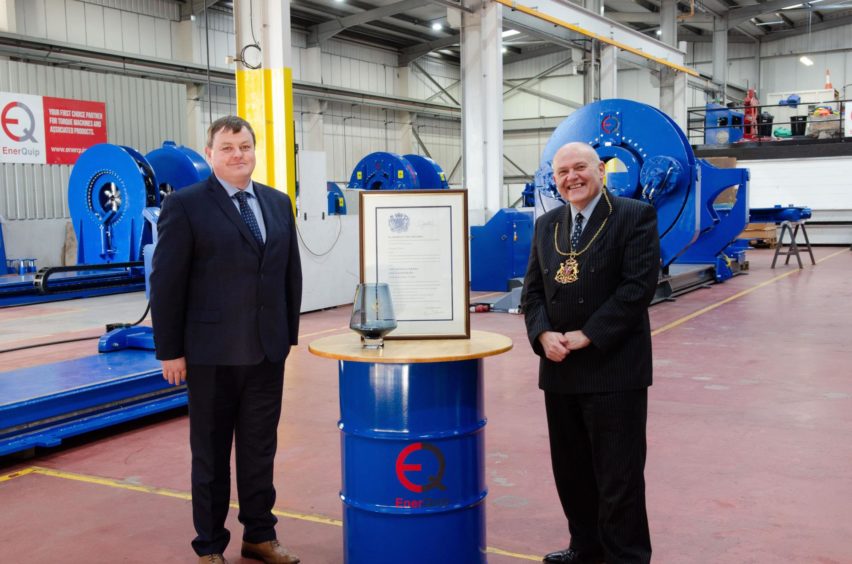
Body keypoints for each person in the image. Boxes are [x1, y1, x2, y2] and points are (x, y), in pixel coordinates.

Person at [150, 115, 302, 564]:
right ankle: (209, 545)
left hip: (265, 352)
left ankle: (259, 535)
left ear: (255, 151)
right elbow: (167, 283)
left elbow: (288, 274)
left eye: (245, 146)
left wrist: (285, 335)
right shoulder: (187, 205)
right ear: (211, 154)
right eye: (228, 147)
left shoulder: (277, 203)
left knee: (259, 449)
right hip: (209, 354)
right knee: (211, 455)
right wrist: (170, 350)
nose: (238, 154)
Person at [521, 142, 660, 564]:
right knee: (572, 473)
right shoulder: (547, 225)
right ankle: (586, 548)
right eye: (562, 172)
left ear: (600, 170)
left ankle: (626, 557)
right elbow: (532, 293)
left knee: (619, 477)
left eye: (579, 168)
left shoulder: (634, 216)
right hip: (560, 369)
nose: (571, 178)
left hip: (613, 368)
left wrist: (588, 335)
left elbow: (637, 287)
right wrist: (543, 335)